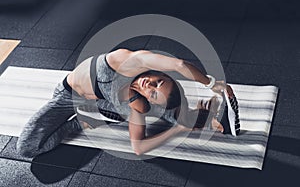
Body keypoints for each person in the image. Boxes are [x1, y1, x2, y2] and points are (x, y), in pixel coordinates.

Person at [16, 49, 237, 157]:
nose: (147, 85)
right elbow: (178, 64)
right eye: (157, 81)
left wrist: (178, 130)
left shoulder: (138, 104)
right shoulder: (128, 61)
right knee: (26, 147)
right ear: (158, 72)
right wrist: (211, 83)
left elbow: (138, 147)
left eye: (152, 92)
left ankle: (209, 119)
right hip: (67, 96)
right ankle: (208, 105)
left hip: (104, 103)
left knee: (162, 111)